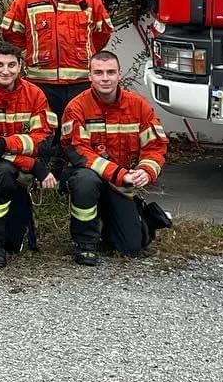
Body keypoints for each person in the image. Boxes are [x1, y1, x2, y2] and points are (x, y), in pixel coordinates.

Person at [0, 0, 113, 170]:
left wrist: (85, 55)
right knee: (44, 129)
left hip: (80, 82)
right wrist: (30, 52)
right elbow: (11, 33)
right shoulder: (28, 0)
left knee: (75, 128)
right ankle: (41, 172)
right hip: (40, 82)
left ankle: (71, 171)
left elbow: (101, 34)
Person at [60, 51, 172, 265]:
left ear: (119, 74)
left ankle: (126, 217)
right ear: (90, 76)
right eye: (99, 72)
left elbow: (155, 146)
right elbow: (78, 151)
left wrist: (145, 171)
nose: (105, 78)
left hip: (120, 184)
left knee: (130, 248)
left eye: (111, 72)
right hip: (86, 175)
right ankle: (86, 243)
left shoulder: (138, 106)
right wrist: (120, 175)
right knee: (86, 181)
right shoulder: (77, 107)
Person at [0, 40, 58, 269]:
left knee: (15, 243)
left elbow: (43, 140)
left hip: (19, 166)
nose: (6, 70)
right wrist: (34, 165)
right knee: (2, 172)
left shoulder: (35, 94)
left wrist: (4, 144)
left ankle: (10, 237)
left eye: (11, 65)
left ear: (20, 67)